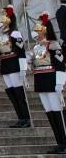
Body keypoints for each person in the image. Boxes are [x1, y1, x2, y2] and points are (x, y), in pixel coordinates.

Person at [31, 13, 66, 153]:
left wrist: (60, 82)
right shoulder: (36, 47)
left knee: (57, 112)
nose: (36, 32)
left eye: (38, 29)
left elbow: (60, 65)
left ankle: (64, 142)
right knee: (50, 113)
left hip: (52, 81)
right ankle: (59, 142)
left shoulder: (53, 45)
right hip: (41, 81)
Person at [0, 5, 30, 128]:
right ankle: (20, 117)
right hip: (5, 65)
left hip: (14, 64)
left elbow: (21, 51)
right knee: (11, 93)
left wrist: (23, 68)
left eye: (2, 20)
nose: (0, 23)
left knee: (19, 93)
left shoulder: (15, 33)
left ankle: (26, 117)